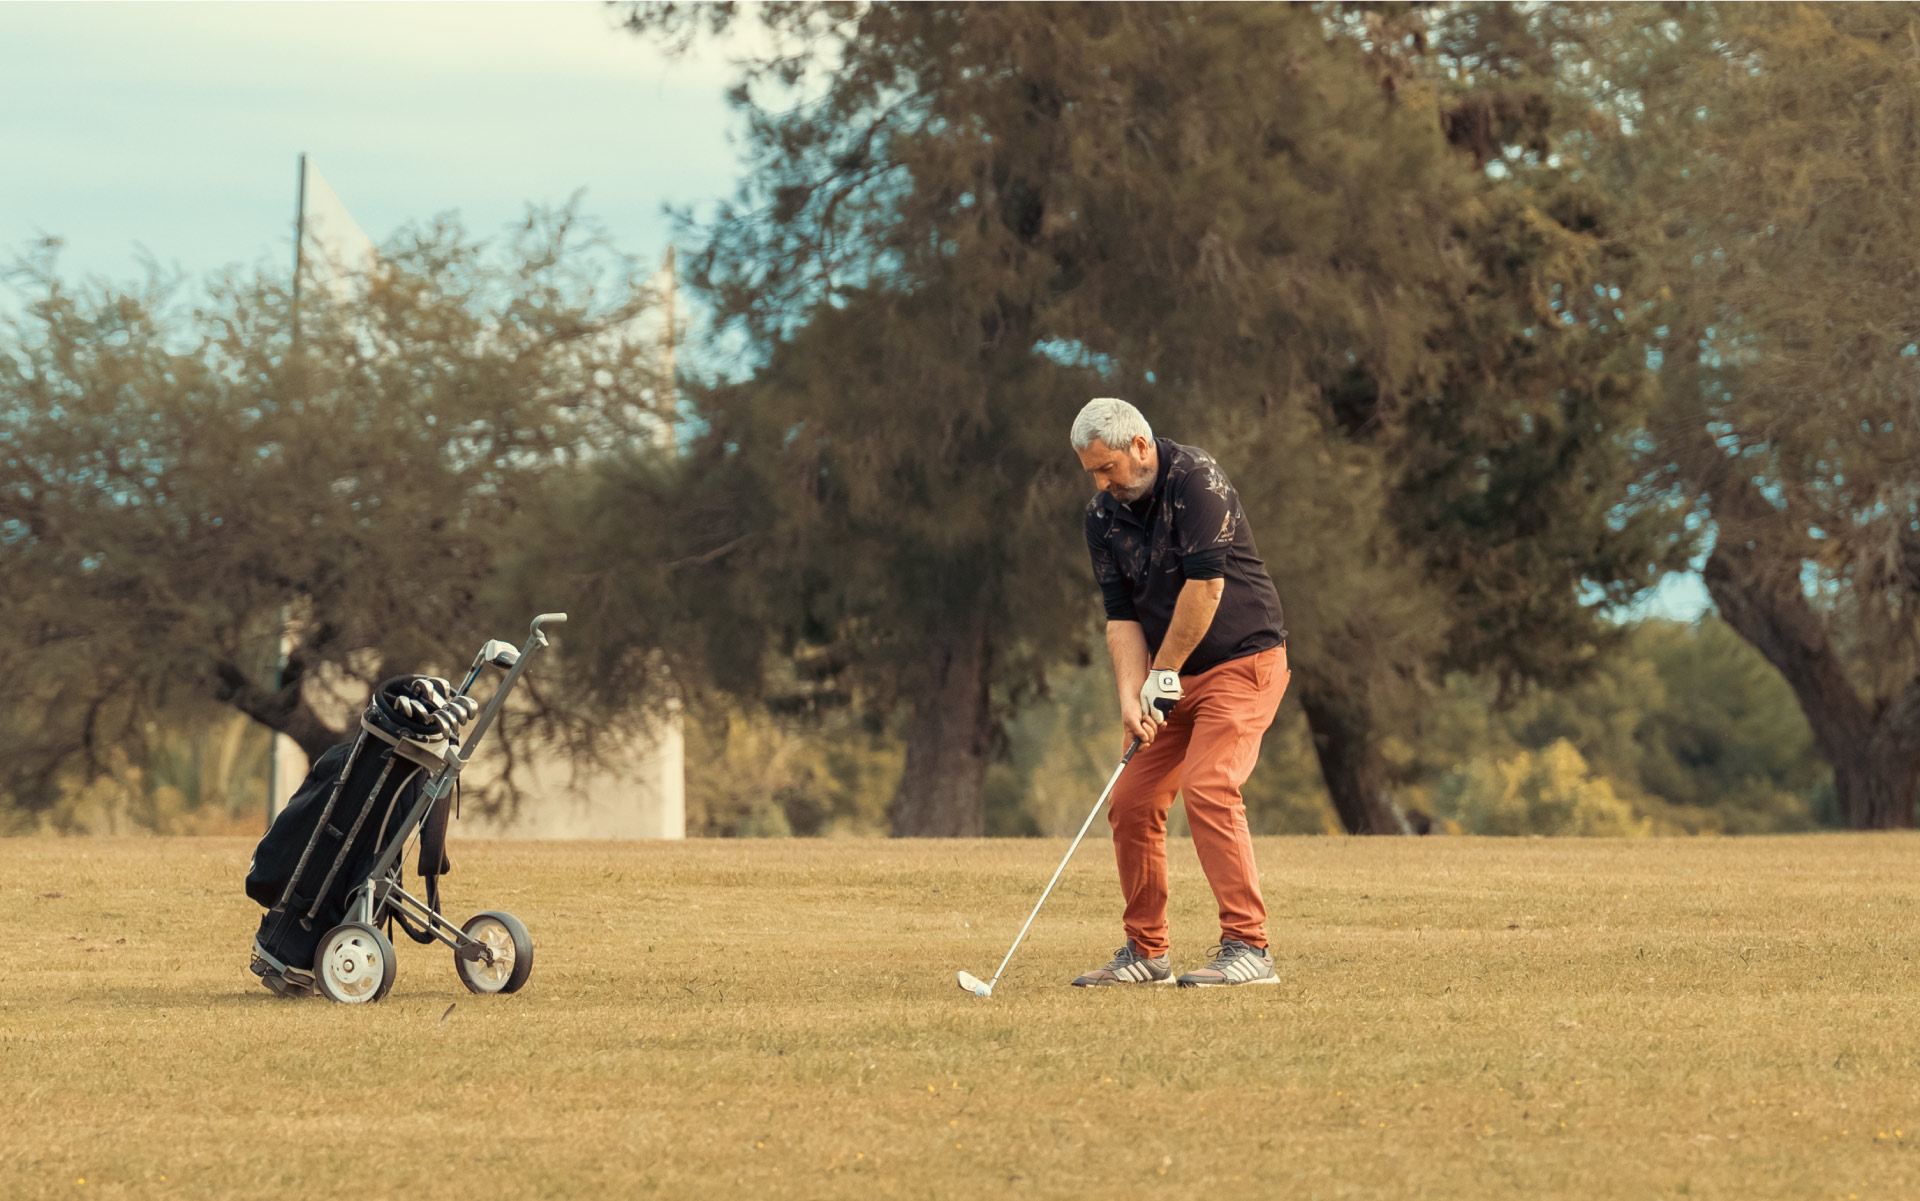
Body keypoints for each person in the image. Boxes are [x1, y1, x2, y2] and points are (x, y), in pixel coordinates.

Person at [1068, 397, 1290, 988]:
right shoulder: (1102, 518)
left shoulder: (1197, 479)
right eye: (1092, 471)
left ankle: (1249, 948)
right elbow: (1121, 617)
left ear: (1139, 446)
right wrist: (1130, 697)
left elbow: (1206, 585)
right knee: (1132, 799)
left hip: (1244, 662)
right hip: (1173, 677)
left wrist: (1161, 675)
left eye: (1107, 467)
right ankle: (1147, 953)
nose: (1101, 482)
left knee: (1209, 784)